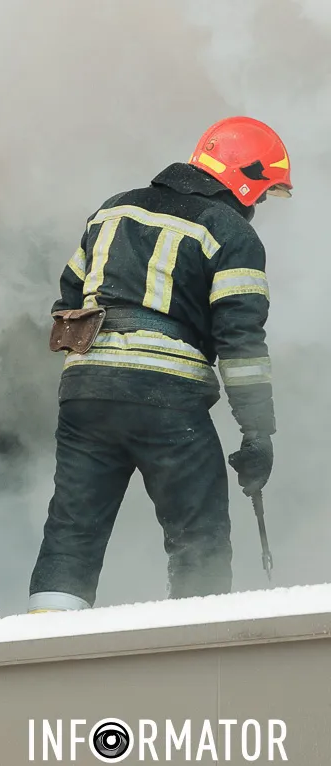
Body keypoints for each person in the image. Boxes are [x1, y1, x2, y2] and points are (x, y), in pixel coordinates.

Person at [28, 116, 293, 613]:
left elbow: (68, 296)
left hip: (86, 394)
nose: (257, 206)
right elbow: (240, 342)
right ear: (244, 180)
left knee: (72, 529)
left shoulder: (113, 210)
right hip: (167, 401)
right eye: (260, 193)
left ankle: (44, 645)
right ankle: (198, 656)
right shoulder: (230, 233)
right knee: (200, 533)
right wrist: (258, 433)